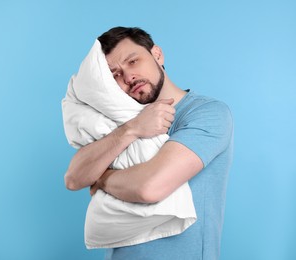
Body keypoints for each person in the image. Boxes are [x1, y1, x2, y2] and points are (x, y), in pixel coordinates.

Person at [64, 27, 233, 260]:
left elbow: (149, 188)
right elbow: (73, 178)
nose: (128, 77)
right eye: (115, 75)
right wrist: (132, 129)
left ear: (157, 55)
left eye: (133, 61)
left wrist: (101, 177)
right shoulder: (121, 123)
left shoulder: (207, 113)